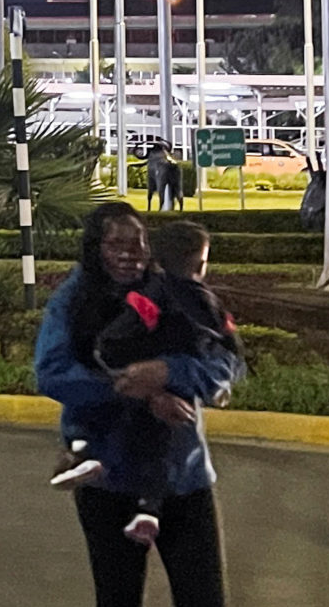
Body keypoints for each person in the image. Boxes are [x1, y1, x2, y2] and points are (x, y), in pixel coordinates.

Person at [36, 202, 251, 607]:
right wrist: (132, 388)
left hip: (184, 482)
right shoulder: (75, 302)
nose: (129, 256)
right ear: (94, 248)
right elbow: (51, 372)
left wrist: (174, 371)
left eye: (137, 245)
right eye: (115, 246)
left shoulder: (178, 294)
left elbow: (227, 362)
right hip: (107, 482)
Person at [69, 222, 243, 547]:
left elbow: (228, 364)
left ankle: (140, 502)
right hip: (117, 481)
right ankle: (148, 508)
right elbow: (229, 352)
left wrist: (162, 372)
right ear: (201, 264)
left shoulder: (145, 298)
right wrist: (155, 388)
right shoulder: (201, 300)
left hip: (181, 475)